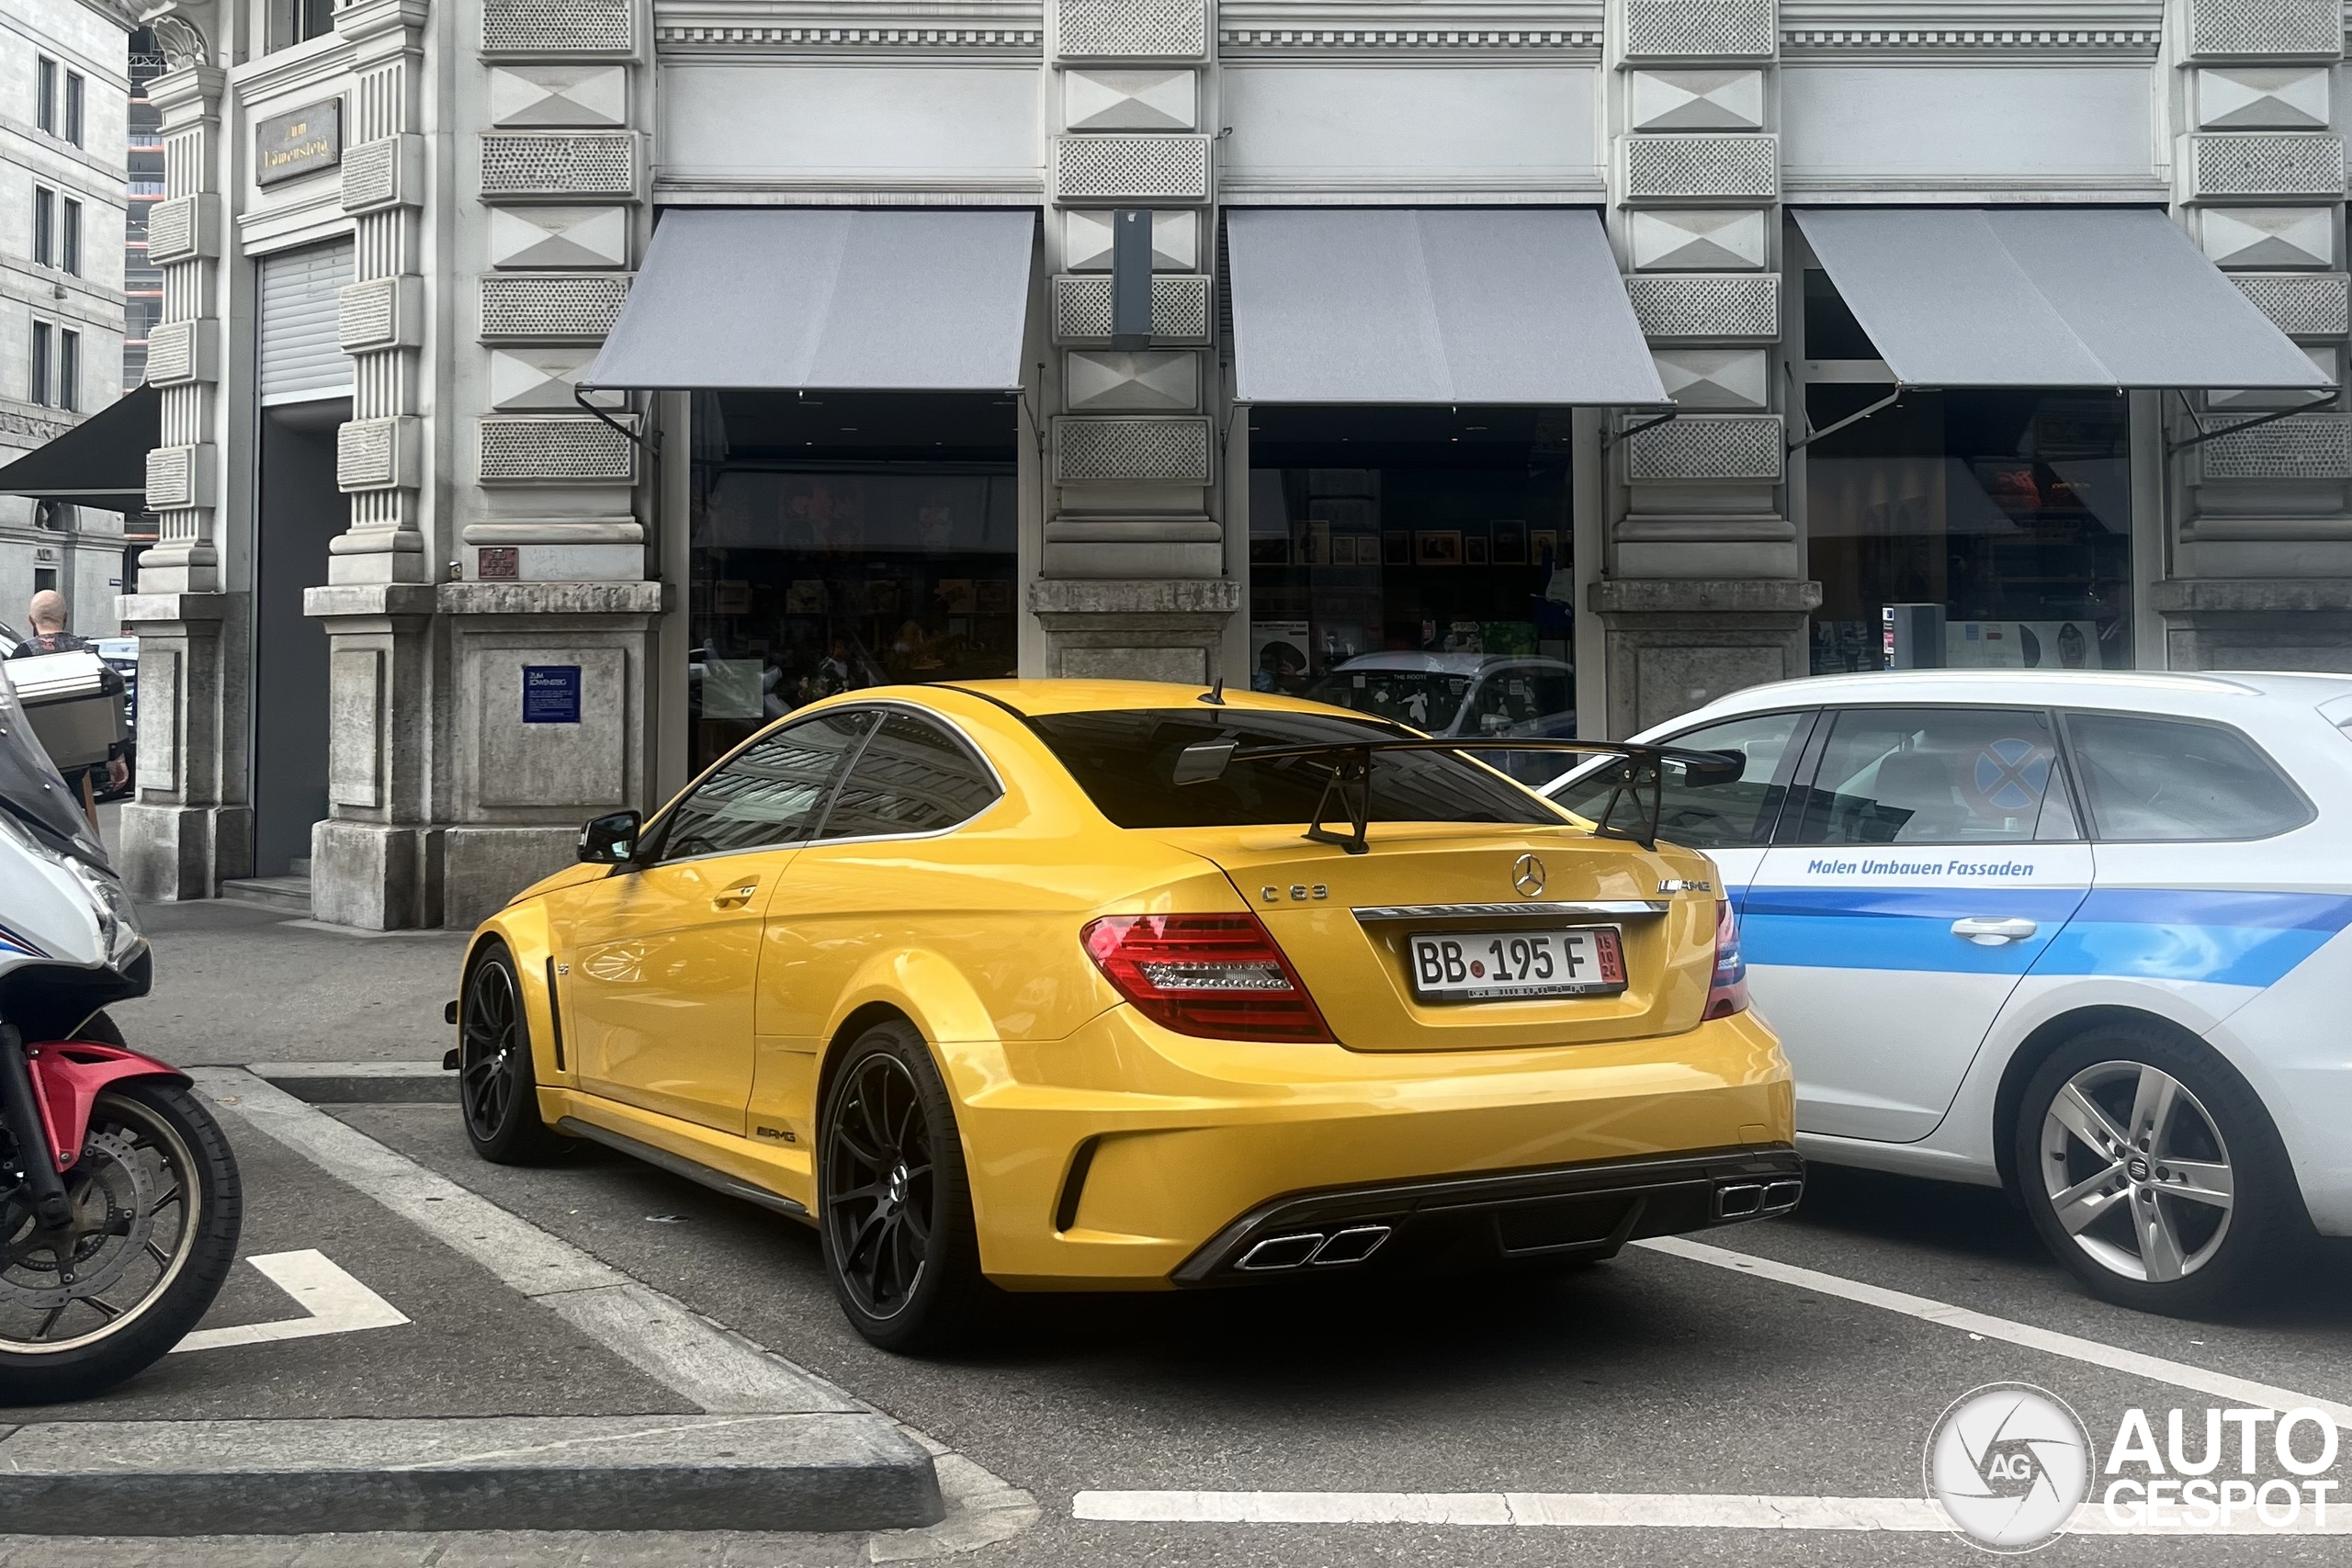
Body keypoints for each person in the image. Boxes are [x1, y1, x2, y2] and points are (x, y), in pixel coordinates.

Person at [8, 592, 129, 798]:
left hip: (37, 762)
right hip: (79, 762)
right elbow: (111, 703)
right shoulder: (86, 652)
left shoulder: (22, 654)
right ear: (66, 617)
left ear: (31, 620)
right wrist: (117, 758)